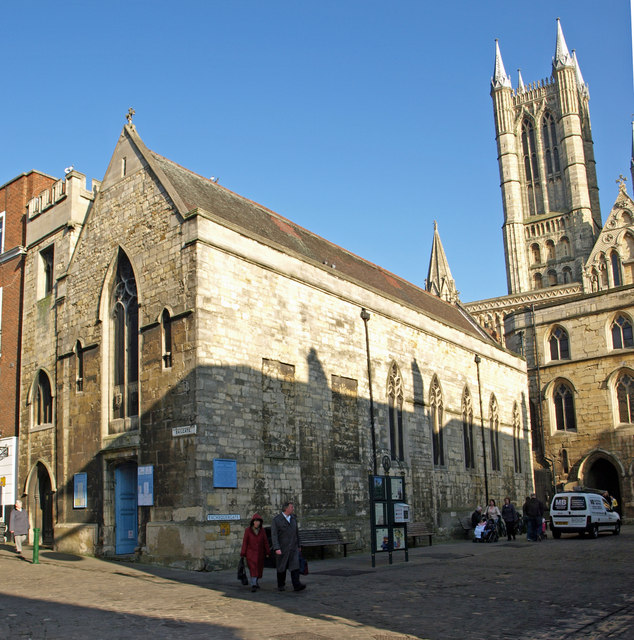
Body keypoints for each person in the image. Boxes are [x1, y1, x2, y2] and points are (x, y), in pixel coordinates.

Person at [271, 501, 306, 592]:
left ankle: (296, 585)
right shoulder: (277, 520)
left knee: (295, 566)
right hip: (282, 548)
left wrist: (299, 545)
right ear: (286, 508)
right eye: (291, 507)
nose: (293, 508)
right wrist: (276, 548)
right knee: (282, 567)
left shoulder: (293, 518)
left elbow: (296, 533)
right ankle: (281, 585)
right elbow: (274, 535)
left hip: (293, 548)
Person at [240, 513, 270, 592]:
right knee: (253, 569)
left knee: (258, 569)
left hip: (260, 553)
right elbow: (245, 542)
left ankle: (255, 582)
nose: (257, 523)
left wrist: (267, 551)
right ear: (253, 522)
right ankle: (253, 584)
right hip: (251, 554)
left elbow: (265, 541)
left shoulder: (262, 531)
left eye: (258, 521)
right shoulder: (248, 530)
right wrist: (243, 553)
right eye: (255, 521)